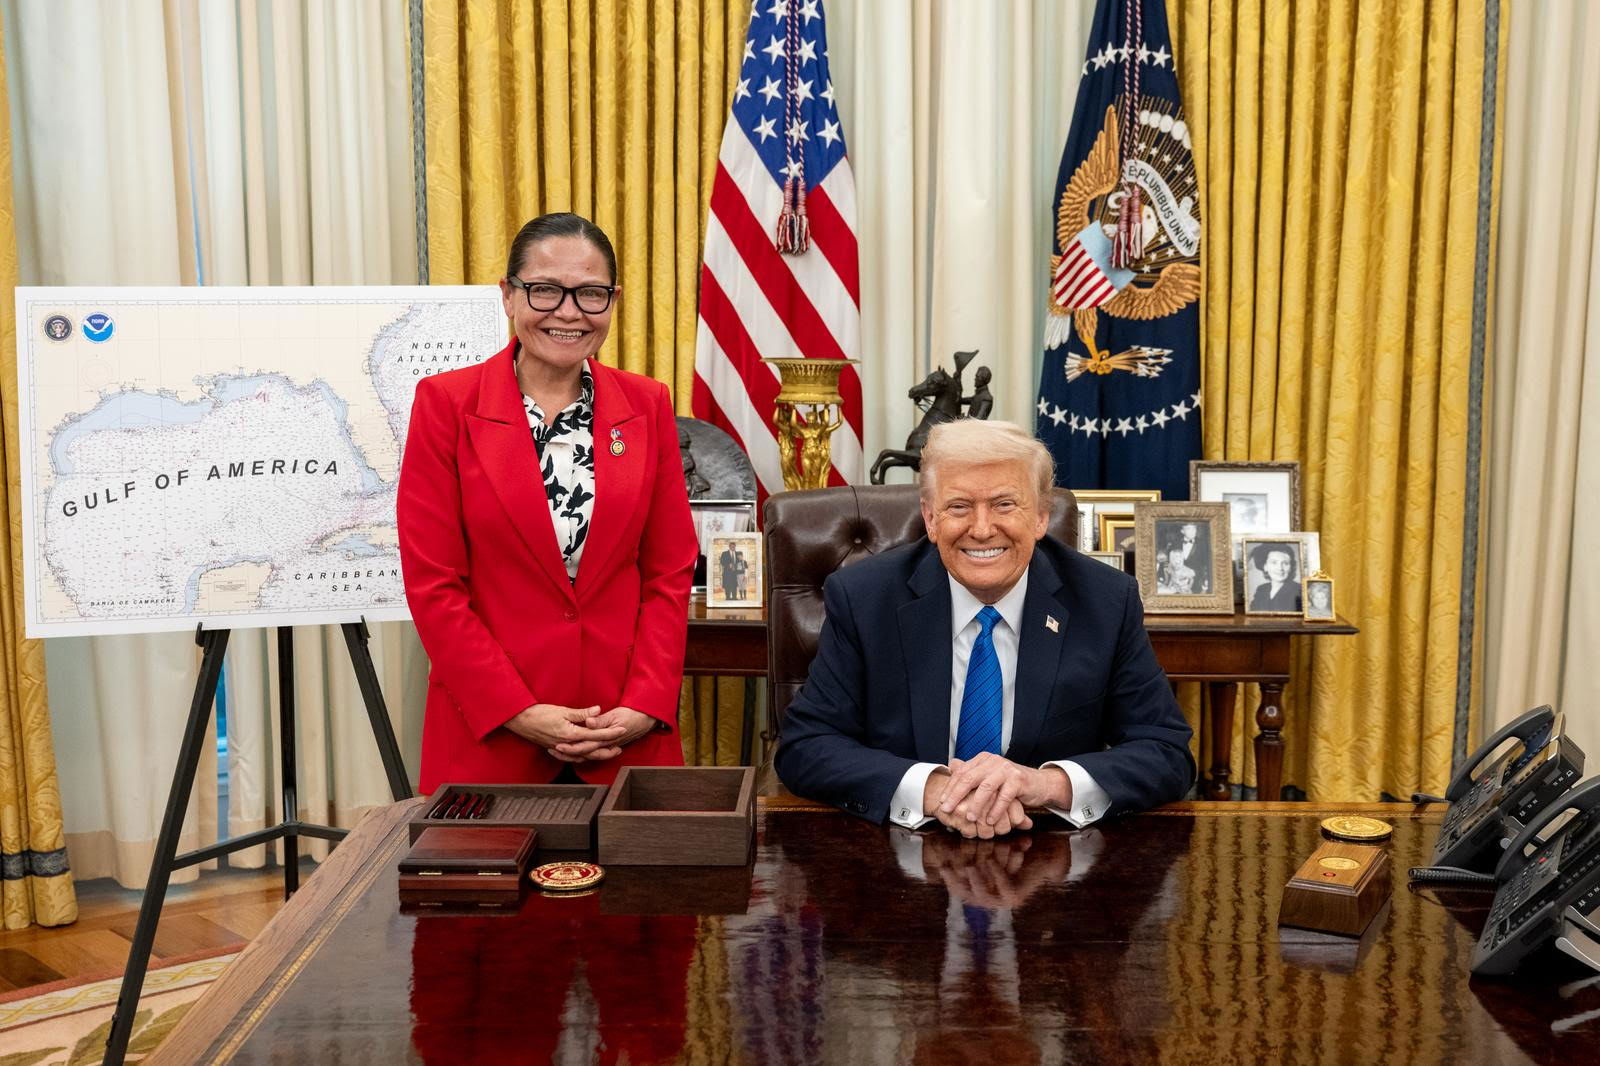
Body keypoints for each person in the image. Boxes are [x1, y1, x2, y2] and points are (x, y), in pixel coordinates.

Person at [775, 419, 1194, 839]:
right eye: (959, 506)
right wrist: (936, 792)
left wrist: (1044, 784)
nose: (981, 529)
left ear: (1041, 517)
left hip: (1050, 856)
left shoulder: (1104, 601)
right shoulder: (865, 598)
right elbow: (806, 744)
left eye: (1005, 504)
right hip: (898, 850)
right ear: (930, 517)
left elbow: (1165, 750)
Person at [398, 212, 697, 790]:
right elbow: (434, 586)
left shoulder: (647, 404)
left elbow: (669, 571)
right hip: (491, 731)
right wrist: (517, 710)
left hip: (624, 731)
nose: (568, 312)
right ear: (509, 296)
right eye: (545, 290)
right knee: (488, 883)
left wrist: (645, 701)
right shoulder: (446, 405)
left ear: (612, 301)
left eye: (590, 293)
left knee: (642, 882)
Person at [1248, 542, 1301, 612]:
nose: (1280, 568)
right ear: (1265, 566)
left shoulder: (1299, 590)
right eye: (1274, 562)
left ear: (1291, 567)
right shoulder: (1261, 589)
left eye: (1285, 563)